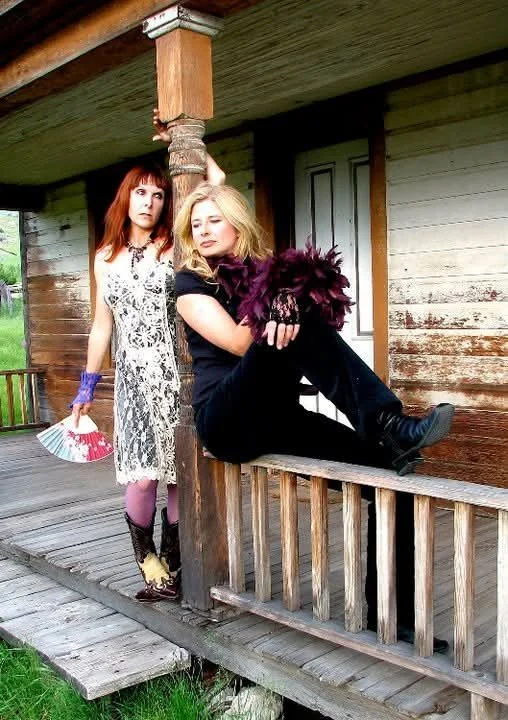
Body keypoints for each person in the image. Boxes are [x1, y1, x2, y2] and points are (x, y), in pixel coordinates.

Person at [174, 183, 454, 650]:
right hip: (226, 419)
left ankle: (391, 615)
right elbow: (241, 343)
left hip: (280, 417)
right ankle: (388, 421)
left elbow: (288, 313)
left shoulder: (269, 277)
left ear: (237, 223)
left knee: (393, 476)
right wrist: (278, 304)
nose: (203, 230)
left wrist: (283, 297)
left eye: (214, 220)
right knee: (295, 307)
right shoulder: (190, 285)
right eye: (195, 224)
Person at [71, 118, 225, 602]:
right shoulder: (104, 257)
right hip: (133, 379)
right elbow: (102, 326)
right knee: (142, 477)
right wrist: (85, 388)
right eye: (141, 193)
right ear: (126, 197)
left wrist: (184, 142)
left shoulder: (174, 245)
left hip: (175, 375)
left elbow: (216, 184)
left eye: (158, 195)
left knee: (177, 475)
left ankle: (173, 568)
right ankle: (148, 562)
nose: (150, 202)